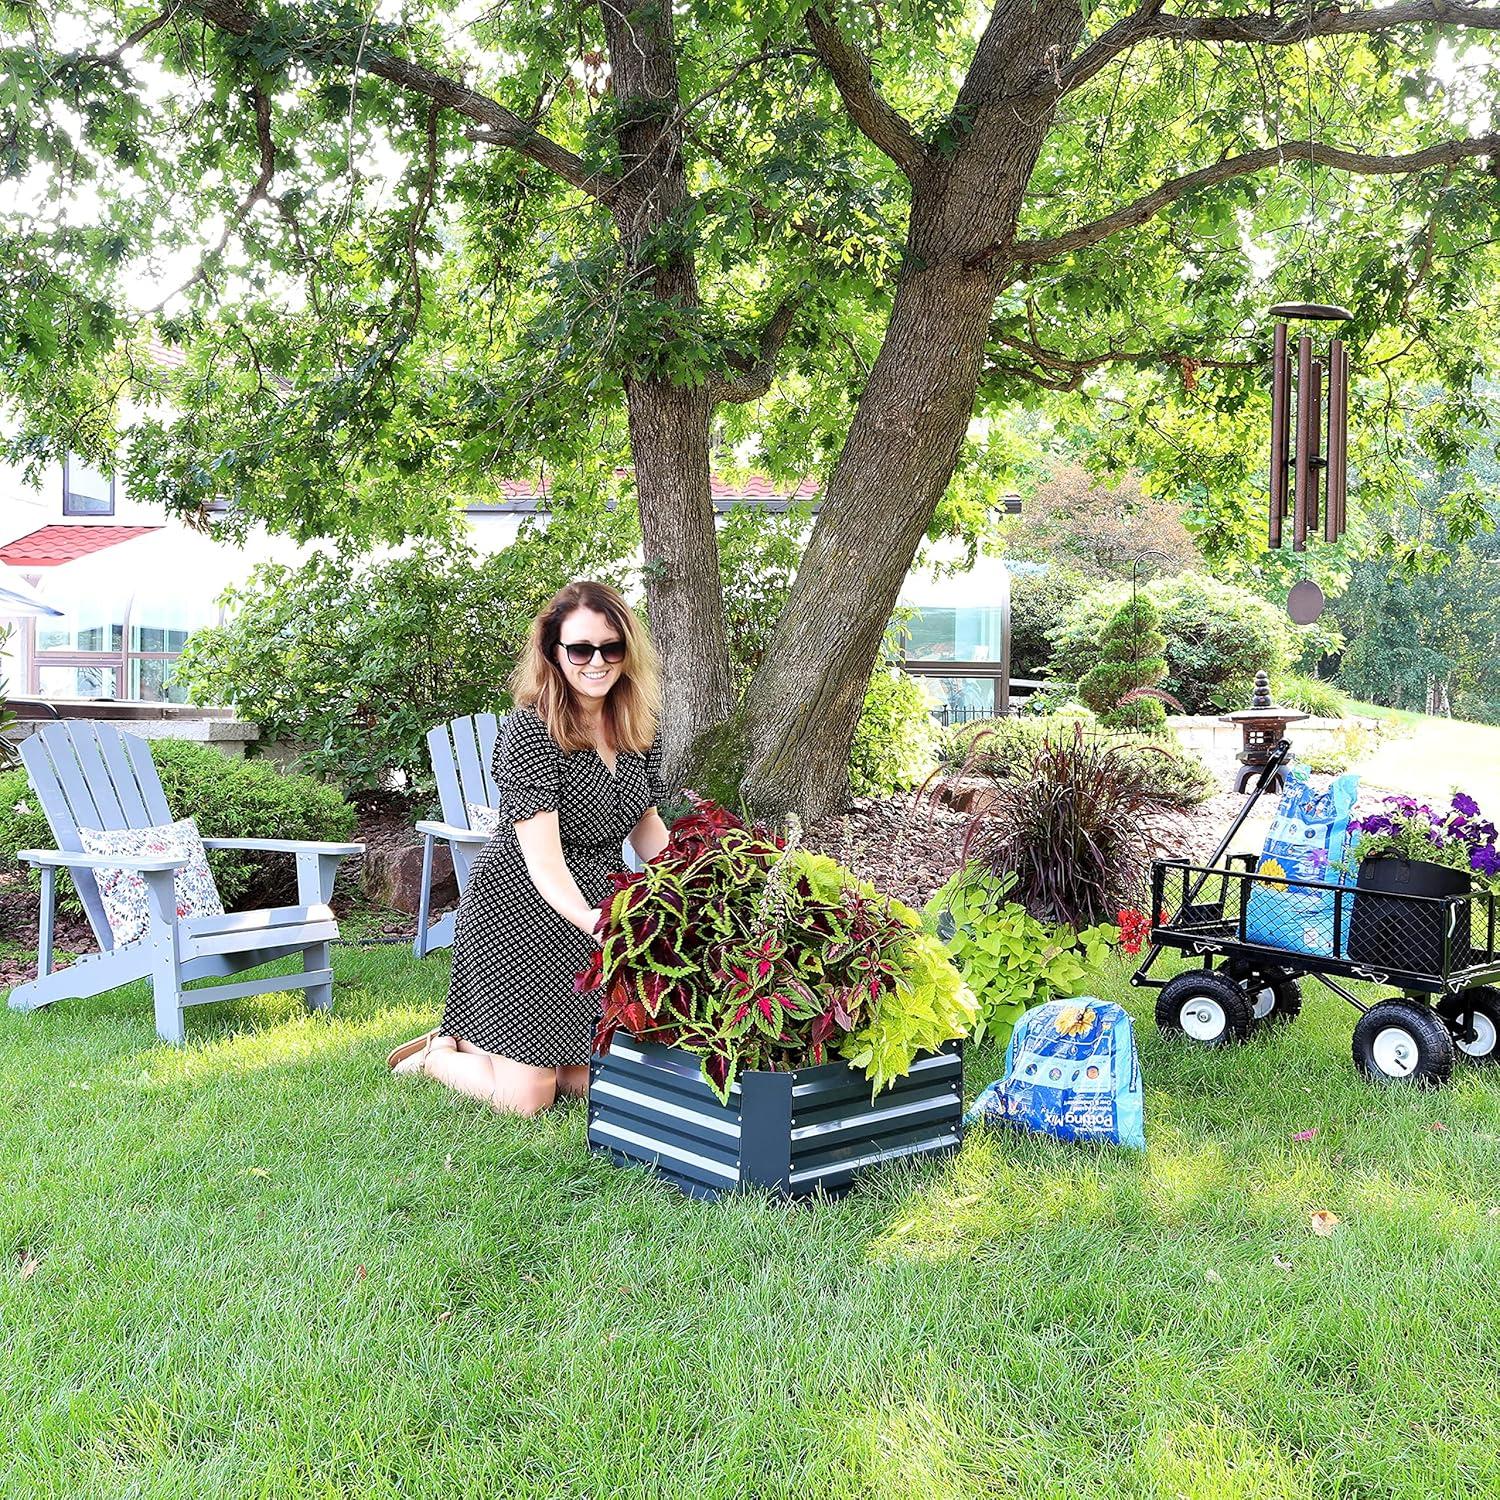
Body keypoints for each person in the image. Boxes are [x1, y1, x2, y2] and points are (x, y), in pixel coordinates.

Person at [386, 580, 671, 1114]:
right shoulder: (532, 728)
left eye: (611, 648)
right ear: (554, 652)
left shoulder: (640, 727)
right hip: (521, 913)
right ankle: (436, 1055)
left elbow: (647, 825)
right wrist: (592, 920)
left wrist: (697, 883)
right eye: (580, 649)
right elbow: (543, 861)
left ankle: (483, 1043)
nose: (596, 662)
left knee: (586, 1084)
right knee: (528, 1099)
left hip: (598, 903)